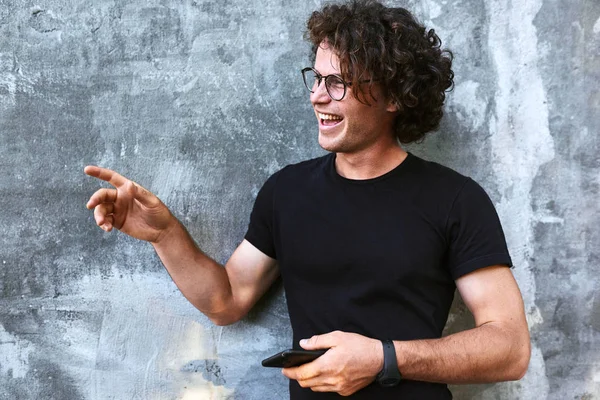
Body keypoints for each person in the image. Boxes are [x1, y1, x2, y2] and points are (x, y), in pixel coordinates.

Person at [84, 0, 531, 398]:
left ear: (394, 95)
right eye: (316, 78)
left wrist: (383, 359)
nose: (318, 96)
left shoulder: (455, 199)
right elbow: (227, 301)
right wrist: (165, 235)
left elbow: (509, 349)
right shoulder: (287, 192)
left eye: (338, 83)